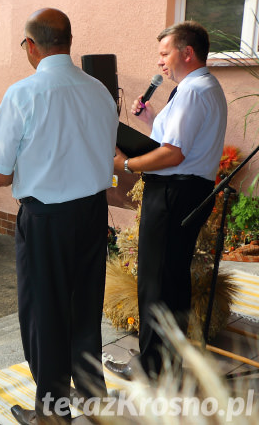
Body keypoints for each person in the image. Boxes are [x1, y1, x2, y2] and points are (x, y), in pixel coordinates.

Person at [0, 8, 118, 423]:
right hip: (92, 213)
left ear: (32, 46)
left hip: (46, 220)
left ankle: (53, 413)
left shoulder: (23, 94)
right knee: (85, 309)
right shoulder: (99, 92)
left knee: (45, 314)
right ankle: (93, 401)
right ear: (68, 42)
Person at [107, 21, 227, 380]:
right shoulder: (203, 86)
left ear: (186, 53)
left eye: (164, 53)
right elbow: (178, 142)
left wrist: (125, 163)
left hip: (174, 191)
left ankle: (150, 365)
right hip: (189, 191)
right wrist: (151, 119)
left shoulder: (192, 91)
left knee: (155, 280)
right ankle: (169, 357)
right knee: (172, 277)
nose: (160, 62)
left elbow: (173, 155)